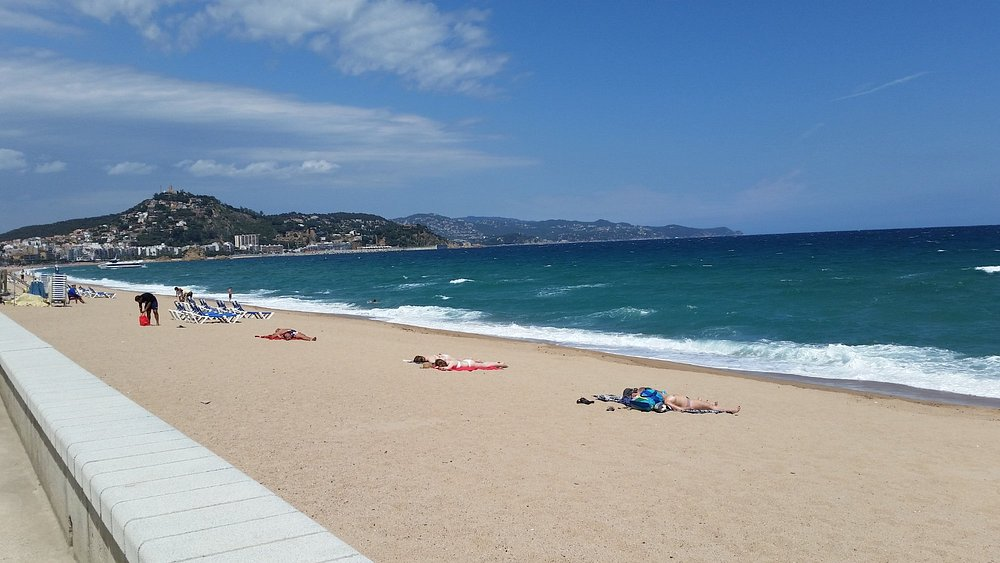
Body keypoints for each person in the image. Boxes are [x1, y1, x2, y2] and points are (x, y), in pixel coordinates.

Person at [623, 387, 739, 414]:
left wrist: (638, 393)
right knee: (712, 408)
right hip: (689, 403)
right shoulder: (666, 400)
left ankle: (708, 403)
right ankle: (731, 410)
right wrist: (681, 409)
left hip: (687, 400)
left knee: (708, 404)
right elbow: (676, 407)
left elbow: (643, 389)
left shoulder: (663, 396)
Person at [423, 358, 507, 370]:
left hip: (470, 364)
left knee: (485, 365)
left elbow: (448, 368)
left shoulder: (451, 363)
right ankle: (497, 364)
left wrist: (437, 368)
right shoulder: (448, 361)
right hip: (467, 362)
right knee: (484, 364)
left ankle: (500, 364)